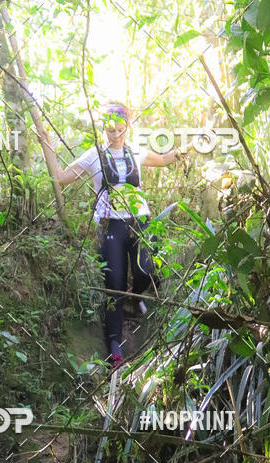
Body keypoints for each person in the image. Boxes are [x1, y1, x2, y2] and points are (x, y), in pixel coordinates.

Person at [53, 102, 181, 369]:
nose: (115, 134)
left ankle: (135, 299)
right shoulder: (94, 155)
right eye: (111, 129)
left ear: (127, 126)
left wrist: (186, 149)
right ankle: (114, 347)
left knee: (145, 269)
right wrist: (46, 144)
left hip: (140, 221)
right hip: (111, 225)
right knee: (114, 285)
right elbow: (62, 178)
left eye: (120, 129)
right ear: (104, 128)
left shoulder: (134, 150)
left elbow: (165, 159)